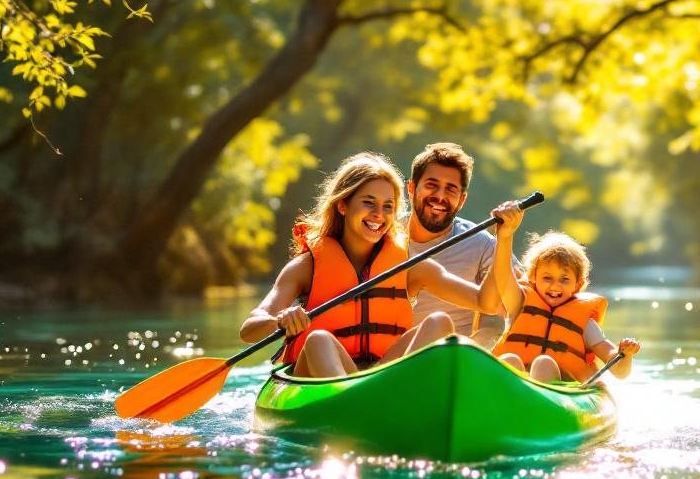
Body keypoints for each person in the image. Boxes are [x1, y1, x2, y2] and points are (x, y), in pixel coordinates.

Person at [240, 152, 516, 377]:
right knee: (318, 339)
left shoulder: (406, 264)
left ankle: (383, 400)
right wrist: (281, 320)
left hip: (378, 374)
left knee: (440, 323)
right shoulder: (307, 266)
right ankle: (354, 409)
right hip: (320, 379)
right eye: (368, 203)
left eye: (388, 206)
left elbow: (487, 302)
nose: (378, 215)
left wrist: (504, 239)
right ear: (343, 205)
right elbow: (249, 329)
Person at [489, 225, 640, 384]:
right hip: (515, 385)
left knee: (543, 363)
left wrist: (625, 355)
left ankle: (534, 402)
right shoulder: (519, 303)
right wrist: (505, 235)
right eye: (547, 278)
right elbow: (503, 276)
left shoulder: (585, 325)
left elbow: (619, 371)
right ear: (533, 277)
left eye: (564, 279)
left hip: (560, 390)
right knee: (508, 360)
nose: (555, 286)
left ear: (577, 284)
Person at [402, 142, 515, 349]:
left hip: (456, 358)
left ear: (462, 200)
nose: (440, 196)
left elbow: (516, 303)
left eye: (451, 189)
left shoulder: (481, 244)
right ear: (411, 188)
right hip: (393, 358)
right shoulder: (383, 235)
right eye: (431, 184)